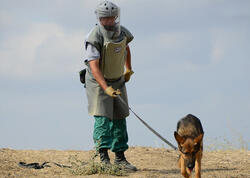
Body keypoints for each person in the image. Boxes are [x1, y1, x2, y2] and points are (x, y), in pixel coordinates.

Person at [83, 1, 136, 171]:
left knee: (120, 117)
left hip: (117, 79)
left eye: (113, 16)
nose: (110, 20)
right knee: (102, 118)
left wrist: (128, 69)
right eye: (106, 17)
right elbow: (94, 66)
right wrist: (105, 88)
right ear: (100, 18)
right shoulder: (95, 36)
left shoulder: (121, 32)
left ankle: (120, 158)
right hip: (98, 82)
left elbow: (126, 48)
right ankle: (104, 159)